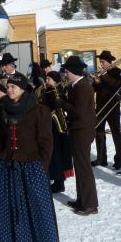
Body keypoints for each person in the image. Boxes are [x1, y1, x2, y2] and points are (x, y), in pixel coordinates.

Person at [0, 73, 58, 241]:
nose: (9, 90)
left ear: (22, 89)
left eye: (13, 87)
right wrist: (2, 156)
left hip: (32, 166)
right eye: (8, 87)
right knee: (10, 208)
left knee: (37, 208)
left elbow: (46, 141)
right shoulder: (2, 109)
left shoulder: (39, 110)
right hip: (8, 166)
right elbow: (0, 136)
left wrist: (42, 166)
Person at [57, 56, 98, 215]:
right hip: (78, 130)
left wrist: (63, 104)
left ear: (73, 72)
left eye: (66, 71)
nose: (65, 74)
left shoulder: (82, 86)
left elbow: (79, 112)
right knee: (80, 168)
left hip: (82, 131)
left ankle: (90, 204)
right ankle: (82, 200)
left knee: (84, 168)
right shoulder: (77, 85)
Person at [42, 71, 74, 193]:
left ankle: (59, 181)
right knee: (54, 153)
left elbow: (61, 107)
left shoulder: (58, 91)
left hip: (58, 127)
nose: (46, 81)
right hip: (51, 126)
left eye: (49, 79)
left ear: (55, 80)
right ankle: (56, 179)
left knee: (58, 153)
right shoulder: (48, 91)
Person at [92, 50, 121, 169]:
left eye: (102, 62)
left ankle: (119, 160)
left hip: (113, 107)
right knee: (99, 132)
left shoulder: (117, 72)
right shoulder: (101, 74)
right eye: (100, 61)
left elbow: (116, 85)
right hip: (100, 106)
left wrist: (104, 75)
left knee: (116, 134)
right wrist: (94, 81)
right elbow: (94, 89)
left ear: (109, 62)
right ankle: (101, 158)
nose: (101, 64)